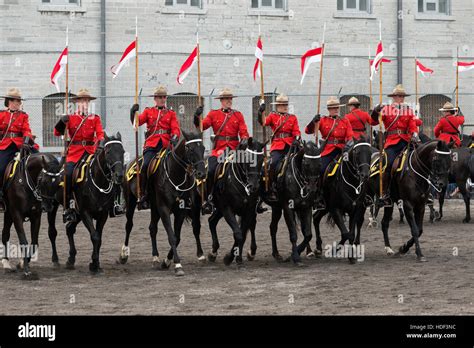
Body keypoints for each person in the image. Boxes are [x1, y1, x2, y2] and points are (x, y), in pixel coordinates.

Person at [194, 88, 249, 215]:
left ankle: (253, 198)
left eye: (230, 98)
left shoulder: (238, 115)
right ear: (221, 101)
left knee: (250, 167)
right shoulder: (214, 114)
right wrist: (197, 116)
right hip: (219, 150)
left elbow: (243, 131)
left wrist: (245, 139)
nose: (229, 101)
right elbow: (202, 126)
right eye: (226, 99)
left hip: (235, 150)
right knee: (211, 170)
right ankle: (209, 199)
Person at [54, 88, 104, 222]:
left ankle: (109, 203)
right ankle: (69, 205)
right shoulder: (70, 118)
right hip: (75, 153)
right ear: (77, 103)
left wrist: (99, 145)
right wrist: (61, 121)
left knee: (104, 171)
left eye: (87, 101)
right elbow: (57, 133)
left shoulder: (95, 118)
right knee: (68, 174)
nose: (85, 103)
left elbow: (100, 134)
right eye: (82, 101)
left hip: (90, 152)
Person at [130, 86, 180, 210]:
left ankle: (180, 194)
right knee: (145, 165)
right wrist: (132, 112)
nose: (162, 99)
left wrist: (175, 136)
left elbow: (175, 128)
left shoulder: (171, 113)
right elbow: (137, 123)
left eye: (164, 97)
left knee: (177, 165)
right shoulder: (148, 111)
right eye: (160, 97)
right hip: (152, 145)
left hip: (166, 146)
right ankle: (143, 194)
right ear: (155, 99)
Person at [370, 84, 418, 207]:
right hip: (392, 142)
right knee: (387, 164)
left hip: (406, 141)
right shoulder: (386, 109)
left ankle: (423, 191)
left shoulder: (408, 110)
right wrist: (376, 111)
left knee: (419, 160)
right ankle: (385, 193)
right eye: (398, 96)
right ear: (393, 97)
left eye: (402, 96)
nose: (400, 98)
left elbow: (412, 125)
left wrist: (414, 134)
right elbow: (373, 122)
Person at [305, 96, 353, 209]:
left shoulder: (345, 120)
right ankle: (319, 196)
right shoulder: (323, 120)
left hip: (341, 150)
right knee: (321, 170)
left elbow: (350, 136)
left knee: (353, 168)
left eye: (337, 107)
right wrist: (313, 121)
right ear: (328, 109)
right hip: (328, 150)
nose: (336, 109)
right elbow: (308, 131)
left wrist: (348, 146)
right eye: (333, 108)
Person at [258, 94, 301, 202]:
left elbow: (296, 131)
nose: (284, 106)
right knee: (273, 163)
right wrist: (261, 112)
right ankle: (272, 187)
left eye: (286, 104)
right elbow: (263, 122)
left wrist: (296, 138)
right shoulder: (273, 116)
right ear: (277, 106)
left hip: (291, 145)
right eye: (282, 105)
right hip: (277, 145)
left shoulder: (292, 117)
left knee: (303, 162)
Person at [0, 88, 36, 211]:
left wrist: (26, 141)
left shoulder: (23, 115)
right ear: (9, 102)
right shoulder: (2, 114)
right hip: (5, 145)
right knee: (1, 167)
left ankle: (39, 194)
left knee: (39, 161)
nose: (18, 103)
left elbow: (27, 130)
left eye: (19, 101)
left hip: (21, 144)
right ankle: (1, 194)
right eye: (15, 101)